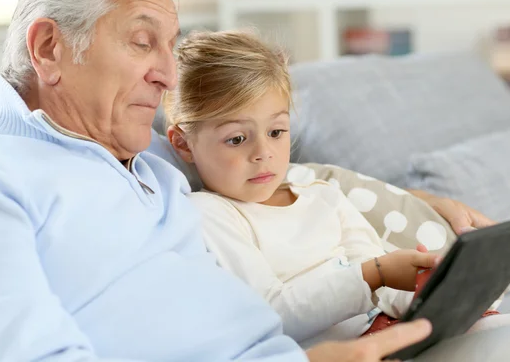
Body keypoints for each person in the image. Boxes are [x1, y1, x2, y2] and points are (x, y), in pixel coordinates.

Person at [0, 0, 500, 361]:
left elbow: (280, 172)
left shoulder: (150, 154)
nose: (167, 73)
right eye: (144, 42)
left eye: (171, 46)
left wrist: (419, 201)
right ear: (49, 49)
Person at [164, 30, 509, 346]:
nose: (263, 153)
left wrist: (434, 293)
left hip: (398, 332)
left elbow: (381, 279)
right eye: (237, 139)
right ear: (182, 144)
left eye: (276, 132)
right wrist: (375, 274)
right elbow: (272, 314)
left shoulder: (323, 194)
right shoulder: (212, 214)